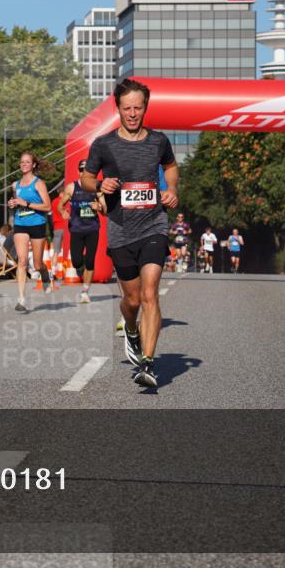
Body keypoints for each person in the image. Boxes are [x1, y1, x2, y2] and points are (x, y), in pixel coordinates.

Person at [82, 79, 178, 388]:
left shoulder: (159, 141)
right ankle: (131, 328)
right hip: (121, 228)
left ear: (145, 107)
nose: (133, 114)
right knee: (132, 299)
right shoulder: (104, 144)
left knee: (150, 293)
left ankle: (147, 363)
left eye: (138, 108)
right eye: (127, 109)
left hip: (153, 224)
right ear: (118, 109)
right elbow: (85, 178)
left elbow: (171, 167)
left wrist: (171, 189)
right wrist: (100, 184)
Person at [9, 151, 54, 311]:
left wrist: (26, 203)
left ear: (33, 165)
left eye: (27, 162)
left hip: (37, 224)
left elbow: (47, 206)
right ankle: (21, 299)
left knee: (37, 263)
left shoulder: (38, 183)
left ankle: (44, 273)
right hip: (20, 223)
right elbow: (17, 202)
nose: (24, 164)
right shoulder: (15, 185)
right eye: (22, 162)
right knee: (21, 261)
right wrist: (13, 204)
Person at [58, 159, 104, 304]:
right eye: (81, 170)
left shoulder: (97, 188)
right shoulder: (72, 187)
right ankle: (82, 266)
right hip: (77, 229)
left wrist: (99, 207)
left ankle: (85, 291)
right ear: (78, 172)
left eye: (86, 170)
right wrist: (63, 212)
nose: (83, 172)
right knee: (77, 262)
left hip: (92, 228)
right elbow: (60, 205)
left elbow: (105, 209)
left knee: (90, 261)